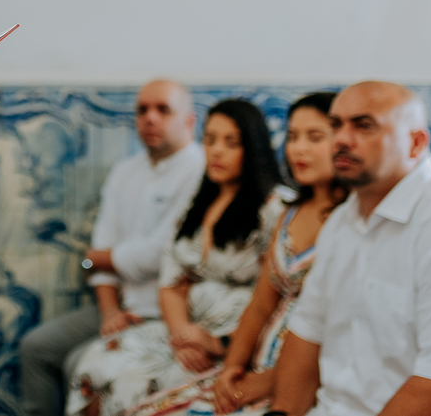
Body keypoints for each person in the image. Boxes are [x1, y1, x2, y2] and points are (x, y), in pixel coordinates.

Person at [269, 81, 431, 416]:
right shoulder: (342, 223)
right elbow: (307, 332)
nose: (340, 139)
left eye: (364, 125)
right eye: (336, 124)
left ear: (416, 143)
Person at [123, 92, 346, 416]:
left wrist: (259, 376)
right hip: (249, 359)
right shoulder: (290, 214)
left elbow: (341, 332)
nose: (299, 148)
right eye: (294, 136)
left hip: (303, 376)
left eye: (314, 137)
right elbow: (260, 305)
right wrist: (231, 368)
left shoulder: (346, 221)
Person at [65, 100, 284, 416]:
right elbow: (170, 281)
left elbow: (272, 300)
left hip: (235, 341)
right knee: (94, 363)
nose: (217, 151)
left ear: (253, 148)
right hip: (182, 330)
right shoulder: (198, 206)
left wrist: (216, 343)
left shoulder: (274, 209)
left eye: (230, 142)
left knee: (134, 384)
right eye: (210, 140)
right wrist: (182, 334)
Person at [18, 80, 206, 416]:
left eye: (163, 110)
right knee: (36, 348)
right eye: (142, 110)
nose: (150, 118)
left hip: (165, 313)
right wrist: (109, 312)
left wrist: (97, 259)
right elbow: (99, 249)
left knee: (78, 363)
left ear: (189, 121)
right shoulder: (125, 172)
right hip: (117, 306)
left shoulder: (200, 171)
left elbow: (162, 254)